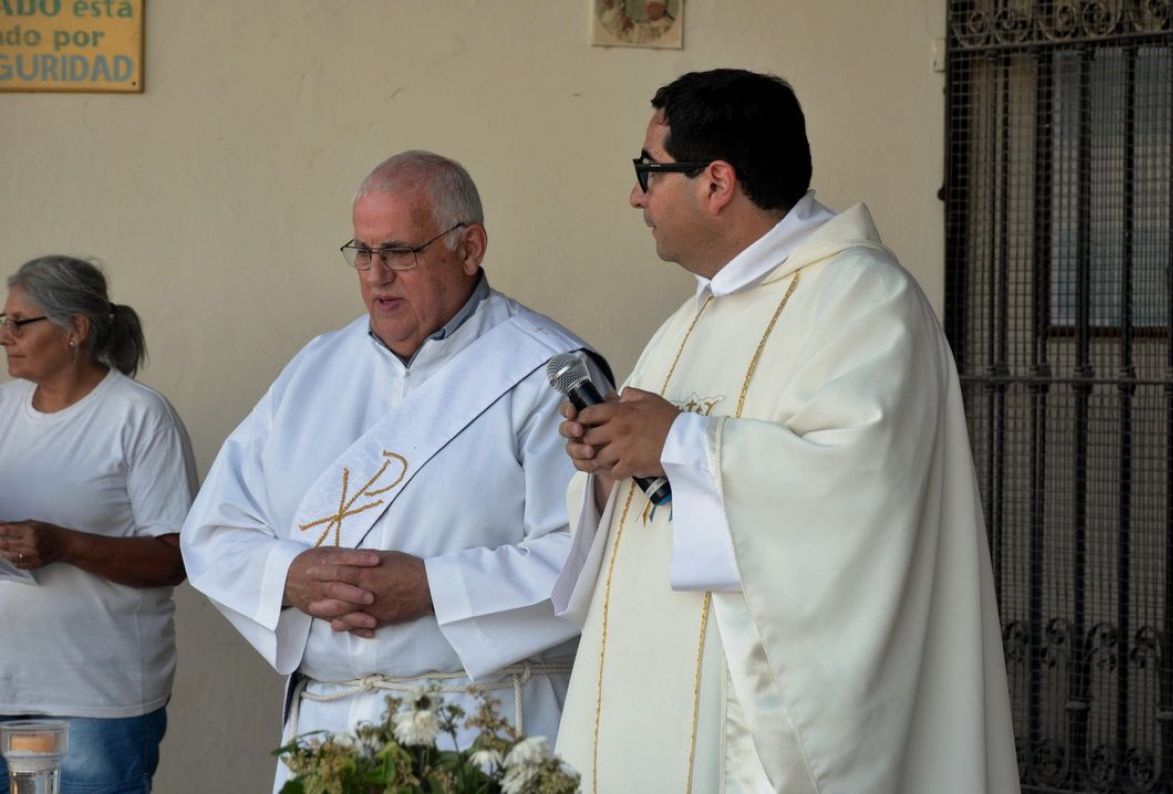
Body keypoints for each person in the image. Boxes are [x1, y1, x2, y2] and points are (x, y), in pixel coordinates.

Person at [553, 69, 1020, 792]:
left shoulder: (865, 301)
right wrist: (610, 463)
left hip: (741, 718)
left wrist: (678, 443)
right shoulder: (694, 316)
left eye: (648, 171)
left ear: (716, 182)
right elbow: (656, 491)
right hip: (650, 689)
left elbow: (857, 495)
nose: (636, 195)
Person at [180, 151, 610, 789]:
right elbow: (213, 532)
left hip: (484, 727)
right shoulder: (313, 370)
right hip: (326, 732)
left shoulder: (546, 370)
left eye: (401, 252)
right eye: (362, 252)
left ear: (470, 247)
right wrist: (289, 575)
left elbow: (592, 560)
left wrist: (433, 587)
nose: (376, 276)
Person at [0, 256, 197, 793]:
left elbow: (176, 557)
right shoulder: (3, 409)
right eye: (3, 321)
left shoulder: (138, 416)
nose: (5, 336)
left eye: (21, 322)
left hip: (91, 702)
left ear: (76, 330)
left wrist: (62, 544)